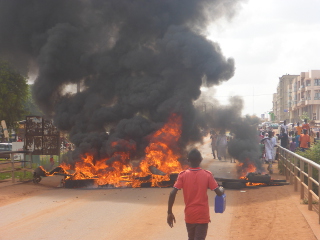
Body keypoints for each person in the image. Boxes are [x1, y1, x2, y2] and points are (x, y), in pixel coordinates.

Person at [167, 149, 224, 240]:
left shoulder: (182, 175)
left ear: (188, 160)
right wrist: (222, 189)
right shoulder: (207, 175)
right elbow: (219, 193)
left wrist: (169, 212)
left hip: (190, 215)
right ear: (201, 160)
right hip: (202, 215)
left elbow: (172, 193)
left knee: (191, 238)